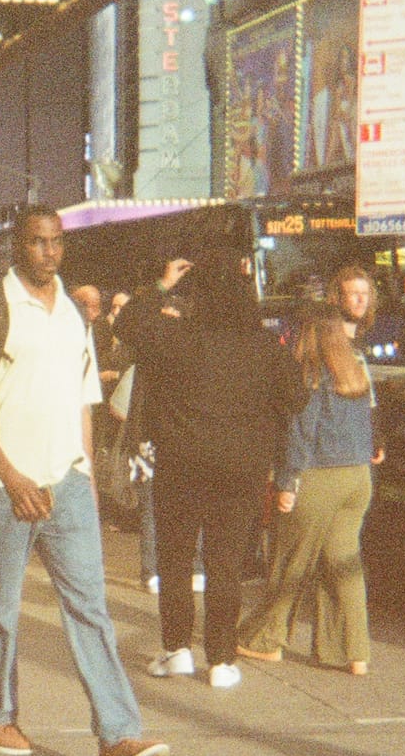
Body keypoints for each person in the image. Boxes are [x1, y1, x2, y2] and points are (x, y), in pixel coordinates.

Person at [0, 204, 169, 756]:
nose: (49, 252)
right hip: (6, 487)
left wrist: (85, 475)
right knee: (0, 608)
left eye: (56, 243)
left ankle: (117, 734)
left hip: (66, 483)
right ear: (18, 246)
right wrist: (11, 475)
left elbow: (84, 403)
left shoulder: (74, 312)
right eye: (38, 242)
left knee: (90, 609)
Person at [116, 249, 303, 690]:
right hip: (242, 468)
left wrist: (162, 284)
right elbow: (296, 398)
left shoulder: (175, 337)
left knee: (176, 558)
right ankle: (221, 659)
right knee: (226, 563)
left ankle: (177, 649)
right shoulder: (265, 348)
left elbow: (125, 325)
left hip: (181, 464)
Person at [237, 301, 383, 675]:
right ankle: (352, 652)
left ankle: (266, 640)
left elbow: (301, 434)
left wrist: (286, 482)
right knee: (343, 564)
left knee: (289, 562)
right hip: (357, 478)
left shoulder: (310, 374)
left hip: (317, 478)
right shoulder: (356, 372)